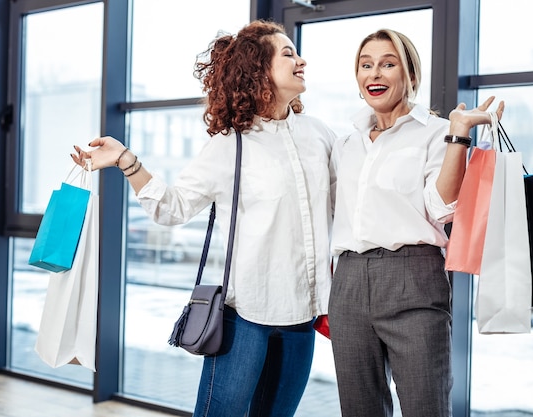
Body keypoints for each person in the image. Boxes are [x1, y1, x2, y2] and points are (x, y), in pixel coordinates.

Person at [72, 20, 336, 417]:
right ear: (260, 70)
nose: (301, 61)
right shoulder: (231, 143)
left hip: (303, 317)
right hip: (246, 316)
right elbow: (171, 207)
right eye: (288, 54)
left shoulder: (320, 135)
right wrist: (127, 161)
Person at [328, 28, 505, 417]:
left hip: (413, 278)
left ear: (410, 74)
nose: (375, 73)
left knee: (427, 406)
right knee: (359, 409)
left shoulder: (436, 133)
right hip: (349, 282)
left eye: (388, 64)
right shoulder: (347, 143)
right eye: (366, 65)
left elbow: (442, 207)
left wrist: (459, 134)